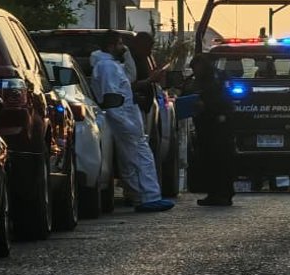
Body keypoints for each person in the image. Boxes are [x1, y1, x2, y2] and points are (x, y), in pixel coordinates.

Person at [90, 31, 174, 213]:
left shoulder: (110, 65)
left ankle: (138, 196)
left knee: (129, 160)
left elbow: (126, 83)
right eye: (120, 44)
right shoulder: (107, 67)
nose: (124, 48)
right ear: (111, 46)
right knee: (142, 157)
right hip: (124, 119)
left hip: (124, 119)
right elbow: (111, 98)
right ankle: (149, 197)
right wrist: (126, 123)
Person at [188, 54, 235, 206]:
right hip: (208, 126)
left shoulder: (216, 79)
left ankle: (222, 193)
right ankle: (215, 193)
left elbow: (223, 101)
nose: (195, 72)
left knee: (219, 160)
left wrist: (206, 106)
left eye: (196, 68)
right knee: (210, 161)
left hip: (217, 125)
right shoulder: (210, 78)